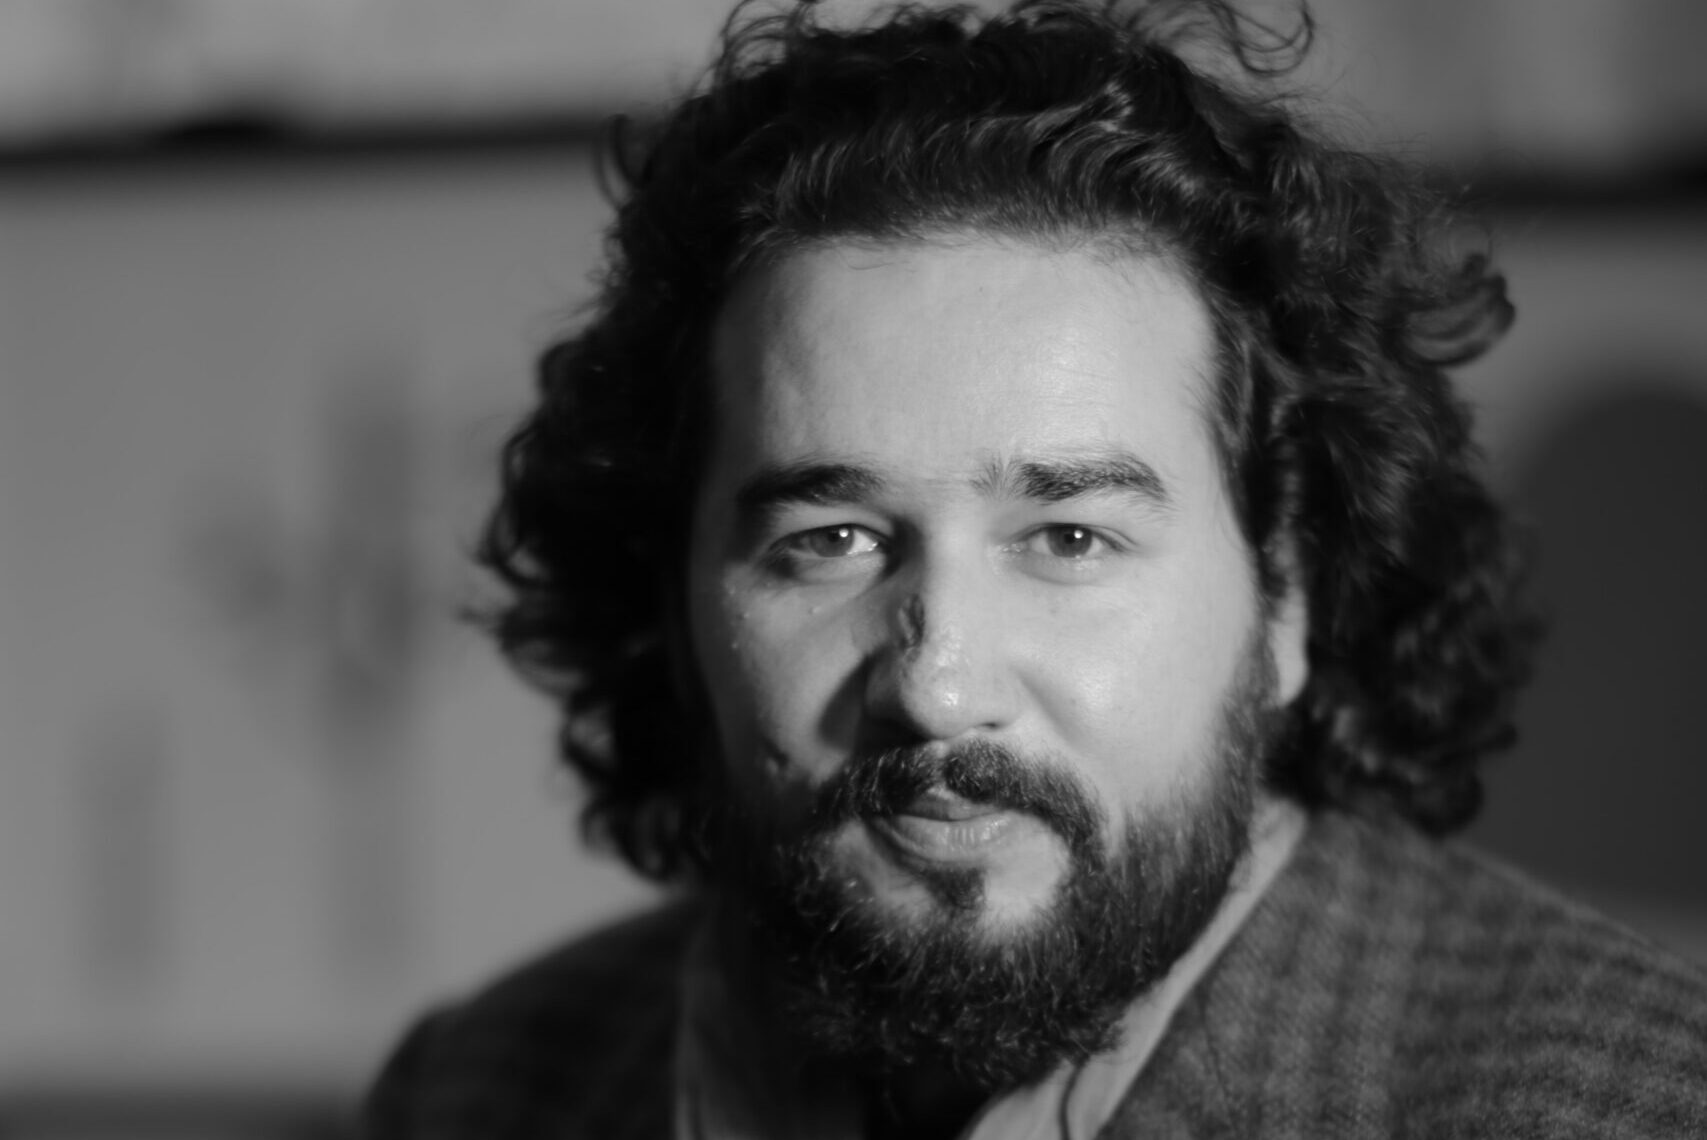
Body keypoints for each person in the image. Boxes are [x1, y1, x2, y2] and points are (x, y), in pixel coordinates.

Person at [363, 1, 1707, 1136]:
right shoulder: (477, 1091)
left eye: (1069, 540)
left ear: (1287, 598)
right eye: (832, 541)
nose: (939, 689)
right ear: (676, 596)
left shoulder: (1627, 1105)